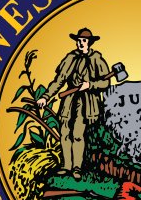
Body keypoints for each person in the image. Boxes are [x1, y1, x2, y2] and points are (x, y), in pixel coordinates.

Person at [36, 28, 111, 177]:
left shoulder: (97, 59)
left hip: (86, 102)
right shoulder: (70, 58)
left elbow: (105, 83)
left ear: (89, 42)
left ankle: (77, 168)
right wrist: (46, 96)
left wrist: (90, 85)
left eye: (83, 41)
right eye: (78, 40)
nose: (80, 43)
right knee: (64, 132)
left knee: (77, 134)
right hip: (69, 100)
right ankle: (66, 166)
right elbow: (59, 81)